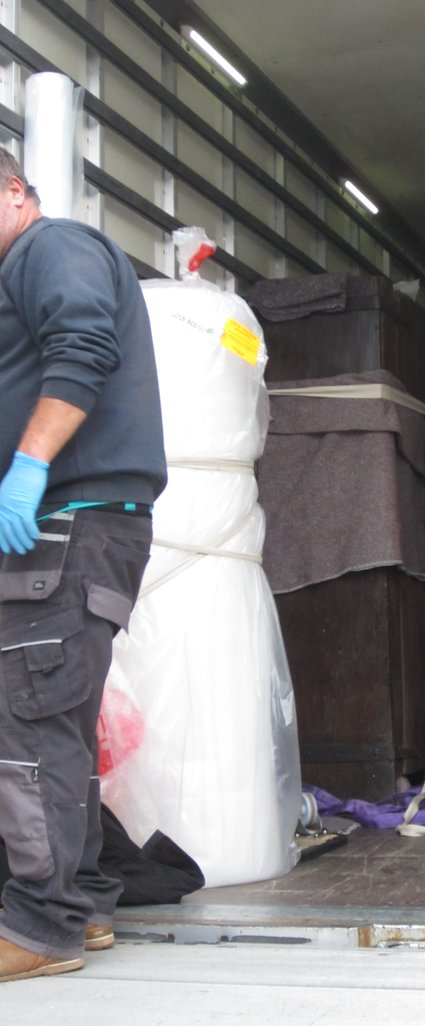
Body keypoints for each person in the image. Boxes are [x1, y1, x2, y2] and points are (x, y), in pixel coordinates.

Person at [0, 149, 166, 982]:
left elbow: (84, 343)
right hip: (76, 528)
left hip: (64, 522)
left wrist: (28, 465)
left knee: (25, 725)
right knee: (58, 721)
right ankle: (87, 903)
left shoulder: (48, 248)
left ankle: (39, 926)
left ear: (16, 193)